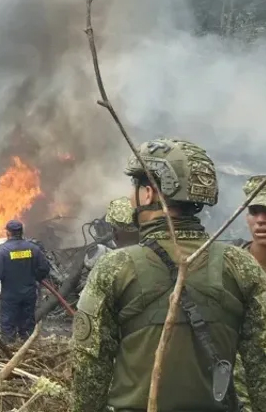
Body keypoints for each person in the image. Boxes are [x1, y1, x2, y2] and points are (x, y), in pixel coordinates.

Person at [70, 138, 266, 412]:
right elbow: (261, 368)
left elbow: (89, 372)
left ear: (148, 193)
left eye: (135, 188)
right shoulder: (241, 265)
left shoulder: (115, 267)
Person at [0, 220, 50, 344]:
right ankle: (28, 349)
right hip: (29, 293)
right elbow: (45, 268)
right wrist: (35, 277)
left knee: (8, 325)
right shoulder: (33, 248)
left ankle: (9, 351)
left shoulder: (3, 250)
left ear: (7, 233)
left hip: (10, 296)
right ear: (21, 232)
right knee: (27, 325)